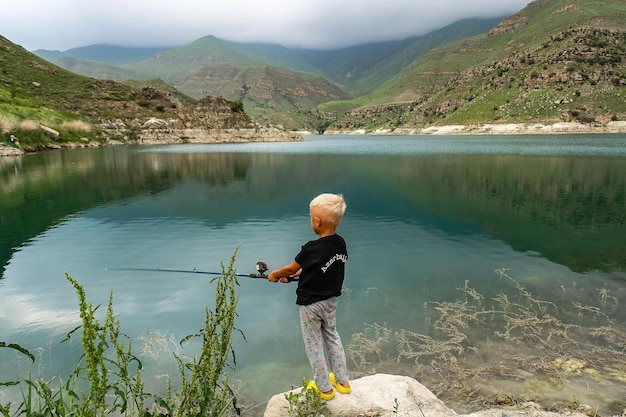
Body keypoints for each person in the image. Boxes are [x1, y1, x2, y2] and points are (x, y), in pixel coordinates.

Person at [268, 193, 351, 401]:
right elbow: (321, 268)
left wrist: (276, 274)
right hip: (330, 302)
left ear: (316, 220)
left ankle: (324, 388)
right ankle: (343, 382)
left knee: (313, 344)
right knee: (332, 336)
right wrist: (296, 275)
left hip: (310, 305)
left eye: (310, 216)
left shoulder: (311, 248)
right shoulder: (340, 244)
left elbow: (292, 267)